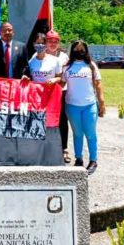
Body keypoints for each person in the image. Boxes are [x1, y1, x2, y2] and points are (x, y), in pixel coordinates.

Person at [60, 40, 106, 175]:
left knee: (90, 134)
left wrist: (102, 102)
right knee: (77, 134)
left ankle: (93, 160)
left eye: (82, 50)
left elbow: (98, 85)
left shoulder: (91, 66)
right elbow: (61, 83)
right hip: (72, 105)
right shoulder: (67, 67)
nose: (79, 52)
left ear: (86, 51)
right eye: (76, 49)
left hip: (89, 105)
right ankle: (78, 159)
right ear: (72, 51)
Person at [44, 30, 71, 163]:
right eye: (50, 41)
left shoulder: (64, 57)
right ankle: (46, 147)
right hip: (44, 94)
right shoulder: (40, 55)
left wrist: (57, 81)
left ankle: (64, 148)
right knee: (45, 120)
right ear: (46, 42)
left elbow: (66, 77)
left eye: (55, 41)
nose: (53, 44)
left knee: (62, 120)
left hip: (60, 92)